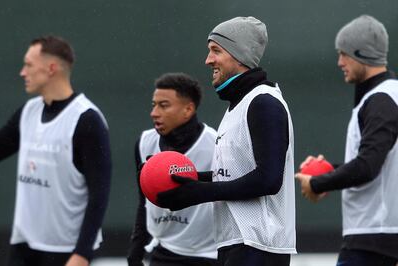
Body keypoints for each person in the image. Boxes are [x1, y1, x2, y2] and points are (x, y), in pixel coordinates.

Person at [157, 17, 296, 266]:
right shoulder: (238, 104)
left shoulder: (264, 102)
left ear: (239, 55)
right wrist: (183, 178)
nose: (208, 60)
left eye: (216, 51)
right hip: (236, 244)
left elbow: (269, 179)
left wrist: (199, 192)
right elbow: (234, 174)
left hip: (259, 246)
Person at [0, 36, 112, 266]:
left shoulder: (87, 119)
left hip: (65, 252)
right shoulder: (29, 112)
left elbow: (99, 194)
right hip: (23, 247)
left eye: (29, 65)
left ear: (51, 68)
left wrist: (82, 254)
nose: (22, 72)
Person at [295, 15, 398, 265]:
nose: (340, 62)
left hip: (374, 240)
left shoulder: (381, 100)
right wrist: (329, 172)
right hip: (378, 237)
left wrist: (319, 184)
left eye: (344, 53)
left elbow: (368, 166)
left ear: (363, 53)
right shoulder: (385, 96)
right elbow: (375, 162)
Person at [127, 73, 218, 266]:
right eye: (154, 105)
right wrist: (136, 248)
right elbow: (143, 201)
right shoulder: (145, 143)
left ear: (188, 109)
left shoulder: (216, 145)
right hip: (163, 251)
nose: (154, 113)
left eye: (164, 105)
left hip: (208, 255)